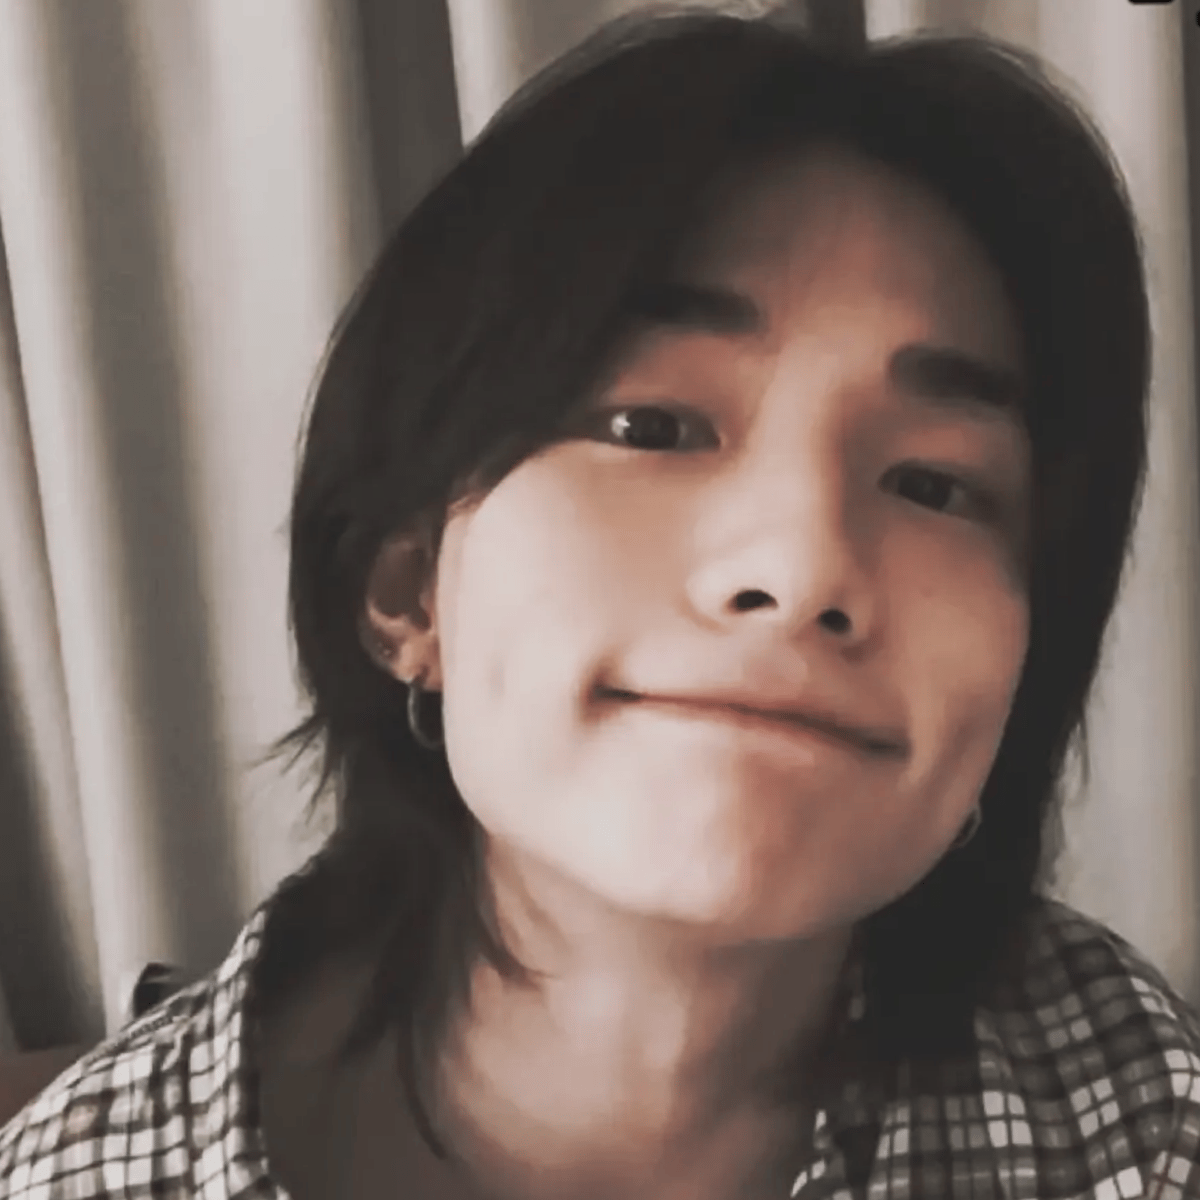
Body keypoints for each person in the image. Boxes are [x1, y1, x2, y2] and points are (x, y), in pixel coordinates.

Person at [3, 6, 1198, 1198]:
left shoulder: (1133, 1111)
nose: (802, 571)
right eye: (651, 426)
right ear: (410, 587)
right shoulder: (80, 1176)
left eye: (933, 485)